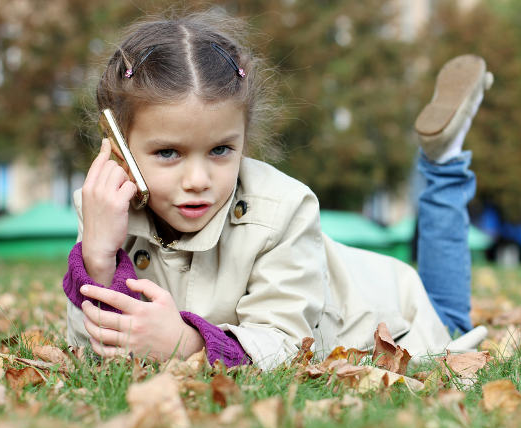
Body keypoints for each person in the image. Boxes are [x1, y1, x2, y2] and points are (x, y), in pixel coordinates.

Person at [63, 10, 492, 370]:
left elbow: (286, 344)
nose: (197, 180)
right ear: (118, 149)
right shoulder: (105, 208)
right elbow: (94, 351)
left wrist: (189, 343)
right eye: (169, 153)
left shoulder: (285, 206)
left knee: (449, 324)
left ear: (244, 139)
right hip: (330, 278)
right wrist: (99, 261)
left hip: (391, 312)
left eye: (220, 150)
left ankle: (443, 160)